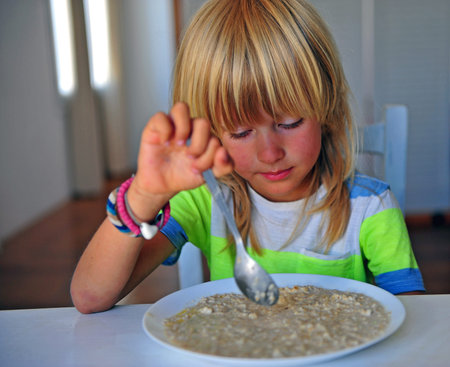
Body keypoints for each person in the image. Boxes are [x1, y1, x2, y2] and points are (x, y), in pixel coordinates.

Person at [71, 0, 425, 314]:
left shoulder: (371, 208)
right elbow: (90, 297)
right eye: (240, 132)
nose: (270, 153)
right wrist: (144, 196)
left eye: (290, 122)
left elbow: (414, 322)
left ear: (326, 106)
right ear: (208, 131)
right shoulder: (205, 203)